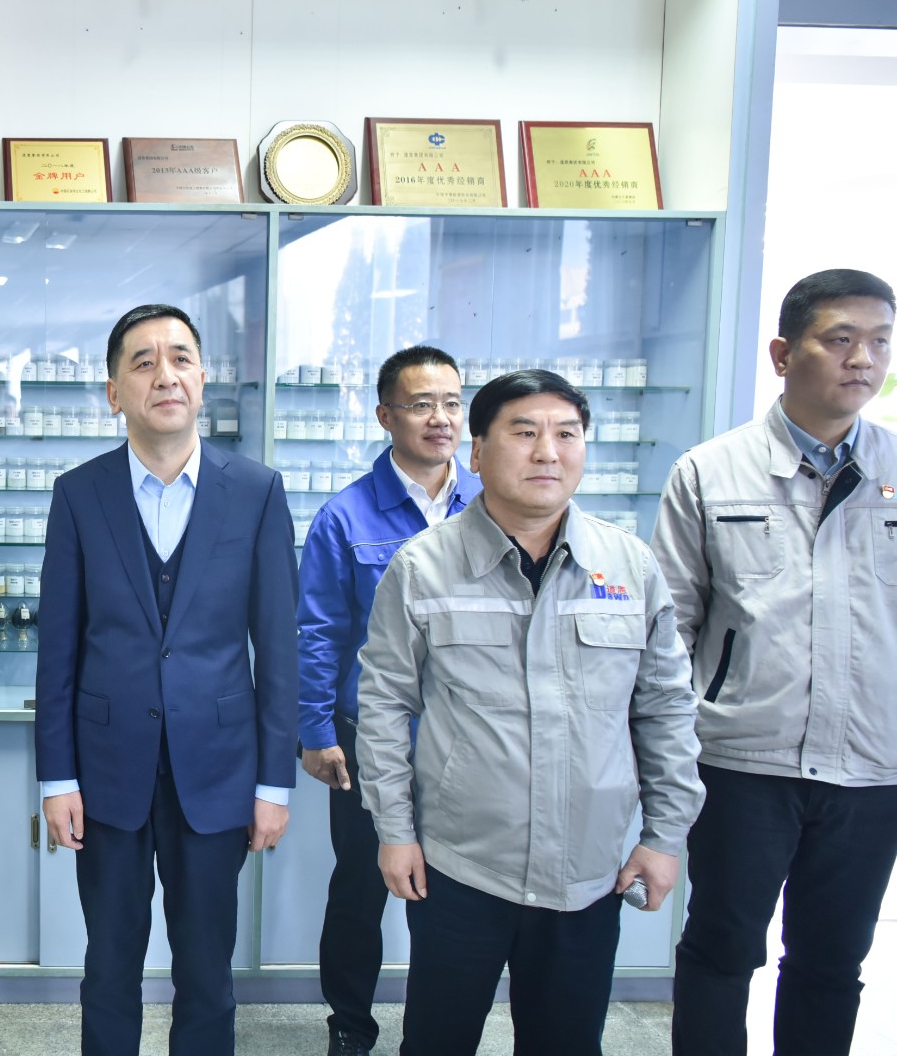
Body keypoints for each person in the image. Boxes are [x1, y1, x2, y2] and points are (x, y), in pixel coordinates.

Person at [356, 369, 704, 1056]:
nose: (548, 451)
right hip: (462, 865)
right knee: (436, 1040)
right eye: (524, 433)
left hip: (589, 871)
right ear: (478, 451)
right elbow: (384, 705)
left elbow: (666, 708)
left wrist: (664, 836)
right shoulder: (424, 566)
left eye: (566, 434)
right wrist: (394, 830)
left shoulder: (629, 567)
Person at [36, 303, 298, 1055]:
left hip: (218, 770)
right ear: (114, 391)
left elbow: (278, 647)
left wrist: (274, 784)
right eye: (143, 362)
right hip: (106, 771)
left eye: (180, 358)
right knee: (109, 964)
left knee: (208, 970)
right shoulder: (79, 494)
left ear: (203, 379)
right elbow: (58, 650)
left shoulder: (256, 491)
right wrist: (57, 778)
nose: (165, 375)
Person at [652, 268, 897, 1056]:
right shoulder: (709, 470)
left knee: (832, 961)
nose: (863, 359)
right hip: (743, 761)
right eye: (841, 339)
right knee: (722, 947)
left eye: (880, 341)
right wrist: (668, 752)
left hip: (872, 767)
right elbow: (671, 628)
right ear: (783, 354)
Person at [296, 344, 480, 1056]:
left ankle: (434, 1032)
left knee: (457, 896)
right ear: (385, 415)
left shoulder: (490, 504)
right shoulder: (345, 517)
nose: (441, 419)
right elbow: (318, 631)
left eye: (452, 403)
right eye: (421, 404)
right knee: (360, 887)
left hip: (471, 736)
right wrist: (316, 729)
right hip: (373, 732)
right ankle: (350, 1022)